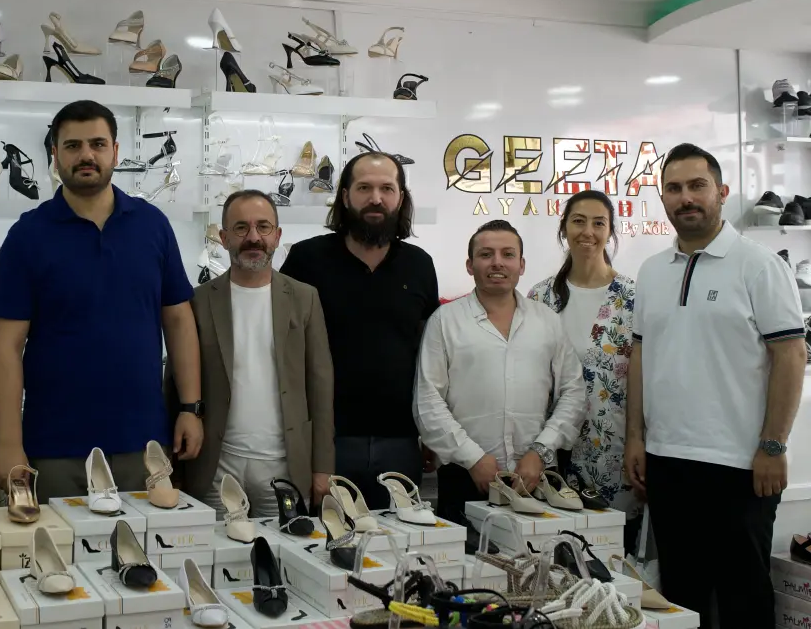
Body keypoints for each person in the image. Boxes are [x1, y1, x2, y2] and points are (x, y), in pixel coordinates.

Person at [0, 100, 202, 501]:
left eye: (98, 144)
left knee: (145, 541)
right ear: (55, 155)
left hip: (143, 444)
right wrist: (10, 442)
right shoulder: (28, 235)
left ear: (115, 152)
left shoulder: (152, 225)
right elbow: (6, 345)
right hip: (53, 444)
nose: (86, 155)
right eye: (73, 146)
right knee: (56, 543)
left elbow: (178, 321)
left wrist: (190, 408)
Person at [625, 143, 803, 626]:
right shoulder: (651, 271)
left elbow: (790, 355)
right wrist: (636, 438)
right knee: (682, 598)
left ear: (721, 192)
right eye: (674, 188)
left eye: (697, 185)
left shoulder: (758, 265)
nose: (685, 197)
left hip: (741, 466)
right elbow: (641, 356)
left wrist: (773, 445)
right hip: (667, 461)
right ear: (663, 198)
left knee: (744, 599)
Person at [281, 152, 438, 510]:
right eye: (364, 188)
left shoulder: (419, 265)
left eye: (387, 189)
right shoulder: (306, 260)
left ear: (401, 198)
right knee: (324, 539)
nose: (376, 198)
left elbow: (429, 357)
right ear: (345, 196)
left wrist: (430, 433)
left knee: (400, 539)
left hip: (400, 441)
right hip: (325, 442)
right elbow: (285, 350)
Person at [414, 219, 584, 525]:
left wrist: (540, 452)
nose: (497, 263)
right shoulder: (445, 321)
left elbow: (573, 392)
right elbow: (427, 400)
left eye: (508, 254)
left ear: (521, 265)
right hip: (465, 475)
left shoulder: (547, 321)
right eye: (486, 254)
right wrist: (473, 458)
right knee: (465, 556)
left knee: (538, 556)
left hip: (535, 477)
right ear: (470, 265)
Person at [185, 190, 334, 517]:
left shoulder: (304, 298)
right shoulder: (198, 300)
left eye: (263, 227)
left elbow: (321, 386)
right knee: (213, 549)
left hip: (284, 466)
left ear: (277, 236)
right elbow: (177, 383)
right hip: (216, 467)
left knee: (286, 549)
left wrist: (323, 467)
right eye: (241, 228)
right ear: (224, 238)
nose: (253, 237)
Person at [525, 190, 642, 551]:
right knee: (553, 554)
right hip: (550, 452)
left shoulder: (633, 298)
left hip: (613, 451)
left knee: (612, 553)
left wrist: (638, 440)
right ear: (564, 228)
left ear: (610, 231)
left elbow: (644, 378)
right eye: (578, 221)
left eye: (598, 223)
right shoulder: (541, 298)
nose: (587, 231)